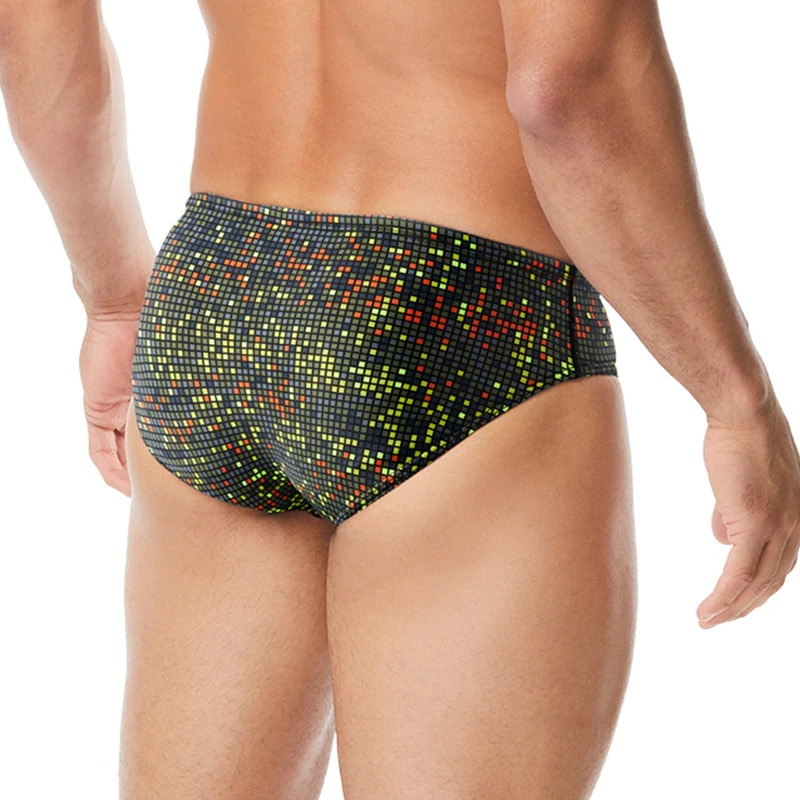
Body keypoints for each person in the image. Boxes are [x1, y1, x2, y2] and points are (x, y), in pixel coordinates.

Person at [1, 0, 797, 797]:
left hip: (214, 291)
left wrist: (113, 299)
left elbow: (31, 22)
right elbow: (565, 86)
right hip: (453, 310)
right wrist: (736, 401)